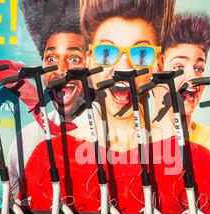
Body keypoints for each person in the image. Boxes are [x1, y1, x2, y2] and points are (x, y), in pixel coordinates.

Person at [0, 0, 89, 200]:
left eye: (74, 59)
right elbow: (14, 199)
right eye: (51, 59)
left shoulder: (110, 132)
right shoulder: (27, 139)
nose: (60, 70)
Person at [68, 0, 175, 154]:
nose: (124, 69)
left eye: (141, 54)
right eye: (106, 53)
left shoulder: (186, 156)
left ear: (159, 63)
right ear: (89, 60)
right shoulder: (51, 155)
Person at [152, 12, 210, 159]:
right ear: (157, 69)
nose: (194, 77)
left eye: (199, 68)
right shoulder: (135, 141)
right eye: (178, 68)